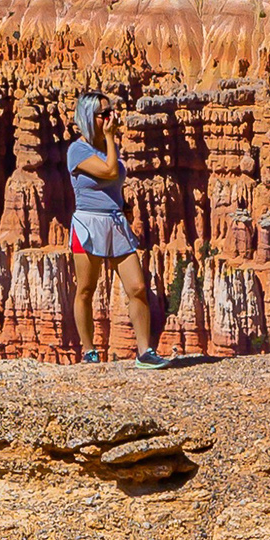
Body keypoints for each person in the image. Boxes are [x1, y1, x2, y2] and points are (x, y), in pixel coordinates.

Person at [68, 92, 167, 368]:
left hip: (114, 222)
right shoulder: (77, 150)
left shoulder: (107, 147)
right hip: (88, 223)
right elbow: (111, 172)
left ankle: (145, 351)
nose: (111, 117)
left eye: (111, 111)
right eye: (104, 113)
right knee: (86, 290)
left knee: (137, 286)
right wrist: (111, 138)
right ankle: (89, 351)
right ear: (89, 117)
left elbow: (114, 180)